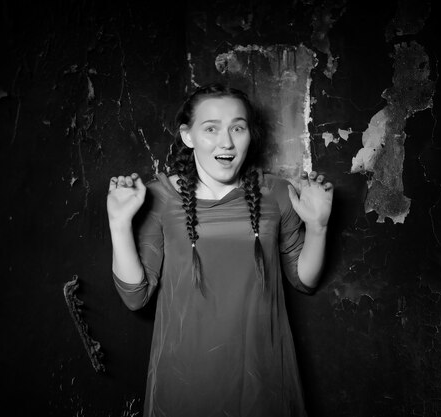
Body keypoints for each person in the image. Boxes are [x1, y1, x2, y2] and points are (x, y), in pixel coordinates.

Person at [107, 83, 333, 417]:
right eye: (211, 128)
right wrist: (119, 223)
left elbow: (305, 280)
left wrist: (319, 226)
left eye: (237, 128)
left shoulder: (278, 194)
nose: (226, 142)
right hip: (185, 376)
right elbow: (135, 297)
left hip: (263, 375)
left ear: (249, 135)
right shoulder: (161, 197)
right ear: (188, 136)